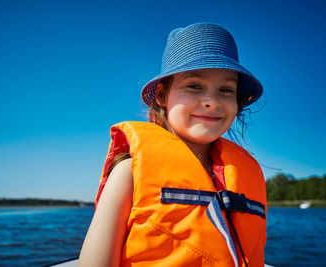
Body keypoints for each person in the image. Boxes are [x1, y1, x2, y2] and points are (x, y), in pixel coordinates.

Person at [78, 22, 267, 267]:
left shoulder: (242, 176)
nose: (212, 100)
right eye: (195, 86)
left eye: (225, 89)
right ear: (162, 96)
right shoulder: (129, 172)